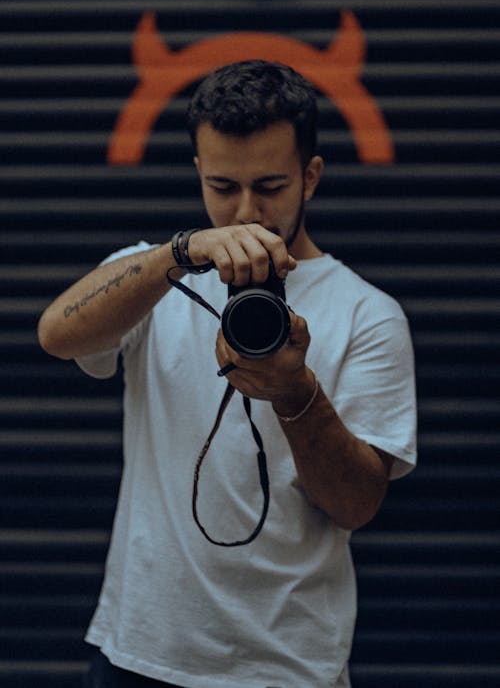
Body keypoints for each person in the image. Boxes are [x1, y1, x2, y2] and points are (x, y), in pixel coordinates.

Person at [38, 60, 417, 688]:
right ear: (197, 175)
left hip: (286, 667)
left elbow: (355, 505)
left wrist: (295, 392)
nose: (246, 212)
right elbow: (56, 335)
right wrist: (181, 253)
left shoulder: (367, 313)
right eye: (222, 187)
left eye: (270, 186)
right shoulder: (153, 277)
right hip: (140, 651)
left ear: (310, 177)